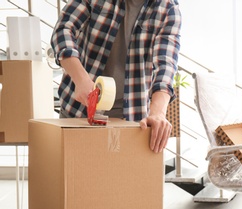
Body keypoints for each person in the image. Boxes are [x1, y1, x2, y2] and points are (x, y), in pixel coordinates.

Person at [50, 0, 182, 153]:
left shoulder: (168, 8)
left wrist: (158, 113)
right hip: (78, 111)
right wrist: (81, 79)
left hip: (130, 119)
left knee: (123, 175)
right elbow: (63, 29)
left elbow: (166, 64)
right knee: (72, 173)